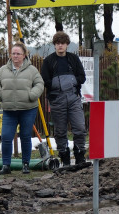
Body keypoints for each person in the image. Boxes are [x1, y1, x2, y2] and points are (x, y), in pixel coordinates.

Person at [0, 42, 44, 175]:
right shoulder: (3, 70)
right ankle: (6, 165)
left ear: (24, 55)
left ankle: (25, 164)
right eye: (13, 53)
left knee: (25, 136)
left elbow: (39, 83)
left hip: (28, 109)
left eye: (18, 54)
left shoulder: (32, 70)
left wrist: (32, 95)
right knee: (6, 137)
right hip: (9, 110)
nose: (15, 56)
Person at [39, 31, 87, 167]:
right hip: (57, 99)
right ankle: (64, 158)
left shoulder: (73, 59)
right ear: (54, 45)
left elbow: (82, 77)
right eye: (58, 43)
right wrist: (58, 84)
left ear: (67, 45)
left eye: (63, 43)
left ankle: (80, 155)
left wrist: (71, 82)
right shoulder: (48, 61)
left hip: (73, 97)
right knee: (60, 131)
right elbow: (45, 80)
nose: (60, 46)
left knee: (79, 127)